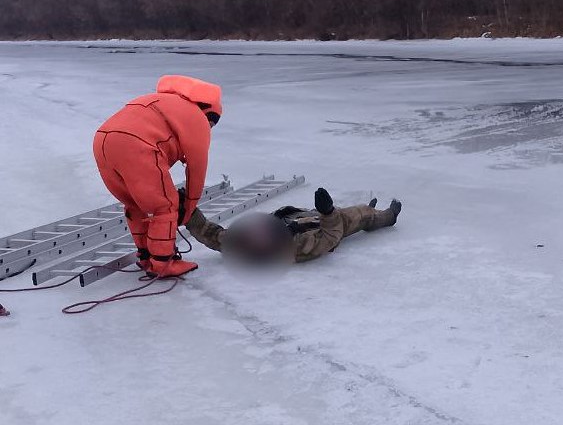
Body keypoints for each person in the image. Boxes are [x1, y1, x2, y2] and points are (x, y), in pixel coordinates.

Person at [93, 75, 222, 278]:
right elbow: (197, 168)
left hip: (103, 139)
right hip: (137, 145)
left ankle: (145, 257)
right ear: (207, 111)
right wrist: (188, 208)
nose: (210, 129)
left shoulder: (159, 101)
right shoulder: (196, 117)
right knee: (165, 206)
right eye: (212, 124)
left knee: (135, 204)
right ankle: (162, 264)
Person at [185, 187, 402, 264]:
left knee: (354, 211)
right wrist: (327, 212)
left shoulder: (238, 239)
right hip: (326, 226)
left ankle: (367, 210)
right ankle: (386, 216)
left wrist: (187, 211)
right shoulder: (296, 248)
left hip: (302, 217)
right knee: (358, 216)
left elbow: (210, 233)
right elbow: (330, 237)